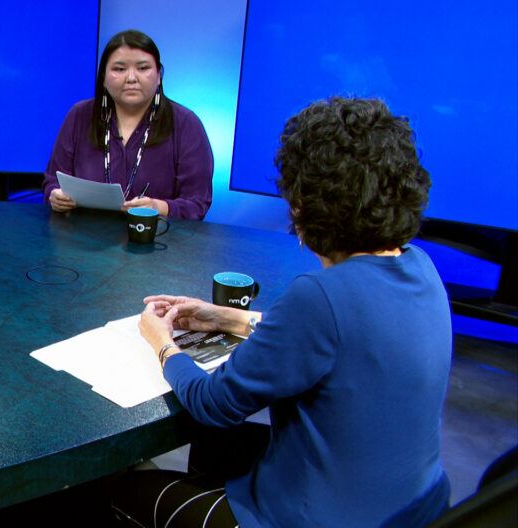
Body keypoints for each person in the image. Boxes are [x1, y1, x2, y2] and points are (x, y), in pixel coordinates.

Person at [116, 97, 452, 527]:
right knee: (220, 448)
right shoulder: (420, 267)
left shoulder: (320, 296)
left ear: (303, 201)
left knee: (125, 490)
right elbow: (345, 337)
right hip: (412, 511)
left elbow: (213, 403)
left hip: (314, 519)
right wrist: (227, 317)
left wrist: (160, 341)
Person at [42, 29, 214, 220]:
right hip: (83, 239)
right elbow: (52, 181)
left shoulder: (186, 124)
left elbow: (197, 204)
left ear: (159, 75)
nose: (131, 78)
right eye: (119, 69)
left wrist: (158, 206)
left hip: (157, 241)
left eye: (143, 68)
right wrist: (55, 196)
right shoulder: (80, 115)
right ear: (104, 79)